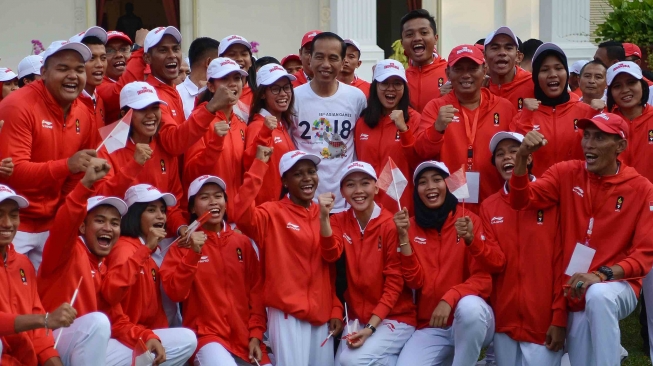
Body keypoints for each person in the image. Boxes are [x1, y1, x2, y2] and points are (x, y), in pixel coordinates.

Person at [509, 113, 653, 366]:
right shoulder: (566, 172)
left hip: (619, 283)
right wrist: (521, 157)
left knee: (599, 296)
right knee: (581, 359)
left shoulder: (641, 188)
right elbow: (521, 200)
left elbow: (644, 254)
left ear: (620, 146)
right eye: (586, 136)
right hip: (575, 288)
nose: (589, 144)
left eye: (599, 138)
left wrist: (602, 275)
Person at [233, 149, 343, 366]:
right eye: (298, 174)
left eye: (311, 172)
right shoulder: (271, 213)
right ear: (284, 180)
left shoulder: (325, 214)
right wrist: (258, 166)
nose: (307, 178)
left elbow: (331, 261)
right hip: (287, 315)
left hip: (321, 316)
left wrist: (336, 308)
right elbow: (241, 213)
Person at [37, 159, 144, 366]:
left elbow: (117, 319)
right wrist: (85, 185)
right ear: (83, 227)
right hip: (54, 343)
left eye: (114, 223)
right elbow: (65, 222)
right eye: (100, 220)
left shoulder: (103, 264)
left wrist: (146, 337)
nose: (108, 227)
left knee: (178, 342)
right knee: (98, 322)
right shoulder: (66, 249)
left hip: (88, 346)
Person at [0, 40, 96, 270]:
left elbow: (78, 172)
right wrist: (67, 166)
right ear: (43, 72)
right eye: (63, 69)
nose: (73, 76)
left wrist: (63, 216)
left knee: (49, 301)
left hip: (51, 223)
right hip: (13, 224)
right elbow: (15, 173)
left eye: (79, 69)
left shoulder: (84, 113)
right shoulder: (18, 105)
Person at [161, 174, 272, 366]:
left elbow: (256, 293)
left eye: (218, 196)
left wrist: (256, 334)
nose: (213, 202)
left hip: (246, 339)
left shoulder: (242, 243)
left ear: (226, 202)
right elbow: (175, 293)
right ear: (193, 208)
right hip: (207, 337)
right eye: (204, 197)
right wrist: (193, 254)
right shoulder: (180, 247)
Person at [394, 160, 495, 365]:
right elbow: (415, 282)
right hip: (432, 325)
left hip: (471, 319)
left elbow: (484, 278)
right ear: (417, 191)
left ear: (448, 185)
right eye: (423, 182)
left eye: (437, 180)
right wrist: (403, 237)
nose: (430, 186)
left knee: (469, 309)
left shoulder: (468, 220)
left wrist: (449, 298)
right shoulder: (411, 226)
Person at [479, 132, 565, 366]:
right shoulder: (489, 206)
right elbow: (494, 262)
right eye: (500, 154)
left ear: (528, 158)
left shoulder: (551, 198)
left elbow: (561, 262)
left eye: (514, 151)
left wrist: (559, 318)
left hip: (543, 324)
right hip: (505, 322)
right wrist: (472, 241)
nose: (507, 157)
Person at [319, 161, 416, 365]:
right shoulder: (339, 221)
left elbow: (394, 284)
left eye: (365, 183)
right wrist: (324, 218)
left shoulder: (390, 225)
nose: (358, 190)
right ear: (342, 192)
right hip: (357, 318)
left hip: (395, 318)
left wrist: (371, 328)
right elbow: (330, 255)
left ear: (376, 187)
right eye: (350, 185)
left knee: (350, 362)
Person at [100, 184, 197, 365]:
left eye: (162, 210)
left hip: (140, 334)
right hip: (120, 338)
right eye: (151, 210)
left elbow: (169, 302)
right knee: (187, 338)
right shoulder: (125, 249)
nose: (160, 216)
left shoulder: (151, 251)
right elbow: (112, 297)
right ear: (135, 216)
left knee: (182, 339)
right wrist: (146, 249)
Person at [415, 44, 516, 211]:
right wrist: (437, 128)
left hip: (495, 204)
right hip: (449, 207)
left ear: (484, 70)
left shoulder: (504, 107)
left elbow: (516, 154)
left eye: (472, 68)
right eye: (459, 69)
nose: (466, 75)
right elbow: (421, 152)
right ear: (447, 73)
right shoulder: (435, 107)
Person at [603, 60, 653, 361]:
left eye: (630, 83)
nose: (625, 91)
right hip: (616, 217)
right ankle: (611, 350)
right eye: (617, 86)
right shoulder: (604, 123)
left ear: (643, 85)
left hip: (651, 215)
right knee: (607, 291)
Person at [0, 184, 81, 366]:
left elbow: (38, 331)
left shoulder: (22, 264)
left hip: (25, 360)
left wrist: (52, 361)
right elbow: (41, 320)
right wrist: (45, 320)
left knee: (97, 323)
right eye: (0, 214)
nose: (7, 223)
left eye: (13, 215)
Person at [96, 81, 186, 238]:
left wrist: (181, 228)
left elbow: (173, 204)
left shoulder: (164, 145)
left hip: (159, 238)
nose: (151, 115)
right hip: (120, 239)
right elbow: (102, 198)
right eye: (142, 109)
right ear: (125, 115)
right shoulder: (108, 145)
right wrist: (134, 165)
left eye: (155, 108)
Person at [291, 32, 367, 213]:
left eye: (333, 58)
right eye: (319, 57)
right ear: (309, 60)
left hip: (346, 202)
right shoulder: (294, 98)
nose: (326, 64)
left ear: (342, 62)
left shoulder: (356, 97)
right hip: (305, 202)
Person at [143, 26, 234, 157]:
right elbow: (173, 143)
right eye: (163, 50)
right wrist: (210, 107)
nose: (172, 55)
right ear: (147, 58)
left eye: (176, 49)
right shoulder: (150, 95)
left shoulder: (170, 90)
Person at [511, 43, 597, 177]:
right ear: (535, 77)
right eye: (544, 70)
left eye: (558, 68)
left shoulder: (586, 112)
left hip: (578, 193)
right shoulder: (522, 116)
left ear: (567, 73)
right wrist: (526, 116)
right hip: (539, 193)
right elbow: (516, 156)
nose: (552, 74)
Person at [183, 57, 248, 216]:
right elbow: (190, 173)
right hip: (209, 218)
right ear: (211, 86)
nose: (233, 83)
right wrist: (214, 145)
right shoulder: (199, 120)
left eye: (237, 78)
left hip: (237, 220)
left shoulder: (241, 123)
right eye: (225, 79)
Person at [355, 59, 421, 212]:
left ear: (404, 87)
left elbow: (417, 162)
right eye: (384, 83)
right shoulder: (362, 122)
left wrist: (404, 130)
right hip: (366, 205)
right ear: (375, 86)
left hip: (400, 205)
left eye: (397, 83)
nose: (390, 89)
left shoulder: (415, 119)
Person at [244, 63, 297, 205]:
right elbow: (249, 163)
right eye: (275, 89)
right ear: (262, 94)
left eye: (286, 87)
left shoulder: (282, 124)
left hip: (283, 210)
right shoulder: (258, 126)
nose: (283, 93)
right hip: (267, 211)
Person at [400, 9, 448, 112]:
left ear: (436, 38)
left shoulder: (452, 74)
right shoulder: (399, 79)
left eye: (424, 32)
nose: (417, 38)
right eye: (409, 34)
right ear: (402, 43)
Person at [97, 29, 148, 124]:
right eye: (109, 51)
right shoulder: (97, 85)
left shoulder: (143, 75)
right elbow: (122, 91)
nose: (119, 55)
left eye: (123, 49)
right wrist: (139, 48)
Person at [485, 26, 534, 111]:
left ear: (518, 56)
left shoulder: (534, 84)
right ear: (484, 56)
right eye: (495, 48)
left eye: (508, 48)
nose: (502, 53)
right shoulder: (479, 88)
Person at [70, 26, 109, 135]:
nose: (100, 65)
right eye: (92, 58)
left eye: (103, 58)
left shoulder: (99, 99)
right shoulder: (67, 102)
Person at [178, 37, 220, 119]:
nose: (224, 66)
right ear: (209, 62)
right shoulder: (177, 95)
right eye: (220, 61)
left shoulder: (221, 93)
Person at [218, 35, 254, 107]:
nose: (239, 58)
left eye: (244, 54)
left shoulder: (259, 96)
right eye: (232, 54)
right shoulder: (211, 95)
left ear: (251, 61)